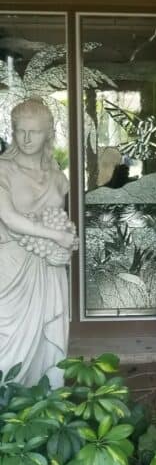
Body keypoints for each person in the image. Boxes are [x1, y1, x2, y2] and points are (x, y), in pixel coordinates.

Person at [0, 97, 77, 387]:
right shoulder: (3, 170)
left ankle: (48, 407)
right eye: (21, 131)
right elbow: (8, 217)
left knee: (50, 341)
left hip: (49, 268)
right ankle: (9, 414)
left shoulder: (58, 177)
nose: (27, 138)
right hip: (11, 266)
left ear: (48, 133)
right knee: (7, 344)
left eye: (35, 131)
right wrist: (57, 236)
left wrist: (64, 241)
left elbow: (57, 218)